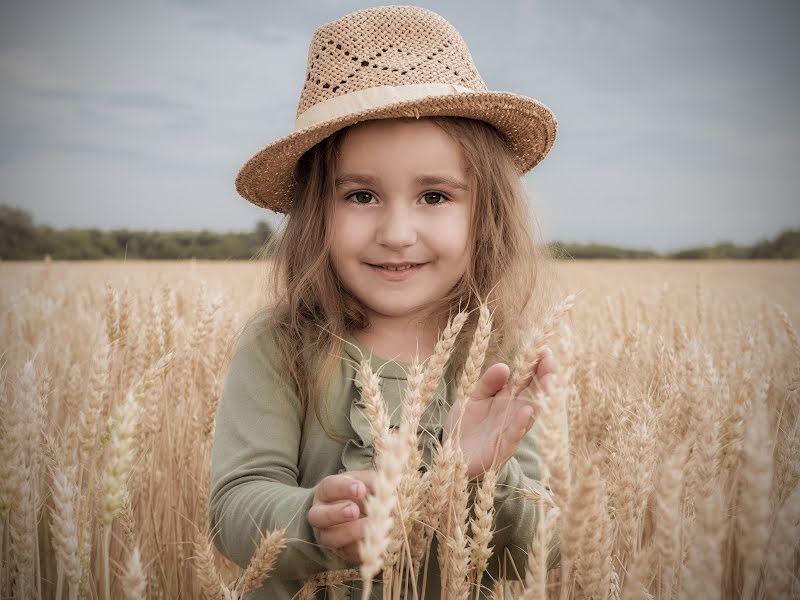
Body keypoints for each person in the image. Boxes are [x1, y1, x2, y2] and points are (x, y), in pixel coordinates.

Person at [208, 5, 565, 599]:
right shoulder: (283, 343)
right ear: (315, 210)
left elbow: (539, 548)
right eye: (363, 194)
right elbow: (235, 506)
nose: (397, 232)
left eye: (433, 195)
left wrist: (477, 476)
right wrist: (314, 523)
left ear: (487, 213)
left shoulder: (507, 355)